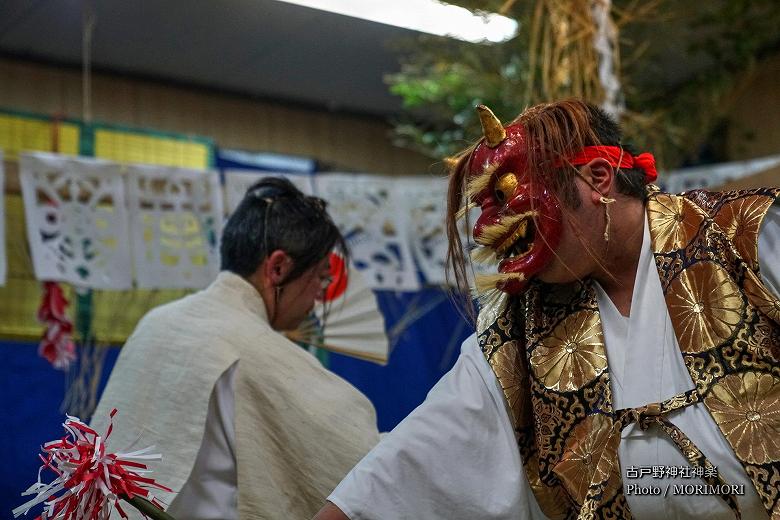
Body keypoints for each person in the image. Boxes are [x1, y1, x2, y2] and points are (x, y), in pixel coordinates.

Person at [314, 99, 780, 520]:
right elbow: (428, 449)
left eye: (509, 192)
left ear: (598, 178)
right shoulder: (522, 321)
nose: (493, 227)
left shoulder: (746, 235)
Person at [92, 177, 380, 519]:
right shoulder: (258, 352)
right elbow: (361, 464)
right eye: (319, 276)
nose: (319, 294)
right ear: (278, 268)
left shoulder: (158, 320)